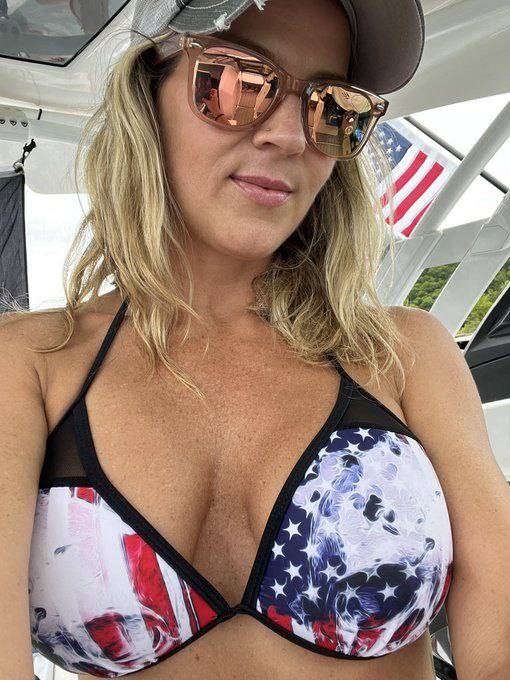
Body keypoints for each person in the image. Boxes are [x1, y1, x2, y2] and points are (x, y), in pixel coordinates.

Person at [2, 1, 508, 679]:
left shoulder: (403, 354)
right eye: (239, 82)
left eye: (332, 108)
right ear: (146, 93)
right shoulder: (28, 368)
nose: (292, 136)